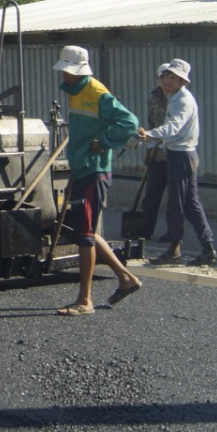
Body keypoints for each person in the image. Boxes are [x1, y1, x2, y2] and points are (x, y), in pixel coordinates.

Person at [53, 45, 143, 315]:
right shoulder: (76, 92)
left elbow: (129, 122)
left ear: (79, 72)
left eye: (68, 72)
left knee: (85, 237)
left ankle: (84, 301)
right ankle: (127, 279)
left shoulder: (96, 93)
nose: (64, 76)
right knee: (87, 231)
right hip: (83, 167)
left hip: (94, 170)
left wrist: (102, 142)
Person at [139, 59, 217, 266]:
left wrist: (149, 135)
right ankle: (207, 246)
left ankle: (174, 249)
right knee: (191, 204)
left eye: (174, 78)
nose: (168, 81)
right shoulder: (175, 97)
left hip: (181, 156)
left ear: (182, 81)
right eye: (166, 76)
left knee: (177, 204)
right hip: (179, 154)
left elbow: (173, 127)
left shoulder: (182, 100)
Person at [132, 66, 172, 239]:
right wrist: (149, 149)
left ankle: (173, 233)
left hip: (174, 152)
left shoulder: (177, 98)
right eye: (160, 77)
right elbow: (151, 123)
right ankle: (145, 230)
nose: (164, 81)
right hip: (158, 153)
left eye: (167, 77)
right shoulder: (154, 98)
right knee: (151, 195)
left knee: (175, 198)